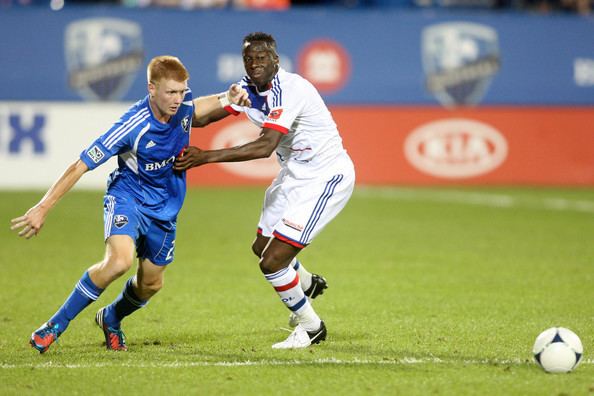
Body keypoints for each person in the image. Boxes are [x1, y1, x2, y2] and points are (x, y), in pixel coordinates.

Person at [10, 55, 250, 353]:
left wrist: (230, 99)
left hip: (165, 208)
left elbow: (201, 111)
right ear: (151, 88)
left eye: (182, 91)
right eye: (170, 92)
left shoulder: (183, 109)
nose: (178, 99)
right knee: (119, 262)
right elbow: (81, 165)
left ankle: (111, 318)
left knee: (151, 284)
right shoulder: (132, 125)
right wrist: (43, 207)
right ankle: (55, 325)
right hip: (128, 199)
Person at [174, 32, 356, 349]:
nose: (255, 63)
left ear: (275, 60)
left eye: (261, 57)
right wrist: (167, 107)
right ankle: (308, 284)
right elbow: (201, 119)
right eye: (249, 58)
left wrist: (206, 157)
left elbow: (265, 146)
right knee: (262, 247)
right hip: (294, 174)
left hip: (325, 176)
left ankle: (311, 327)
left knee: (272, 262)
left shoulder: (291, 88)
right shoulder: (247, 90)